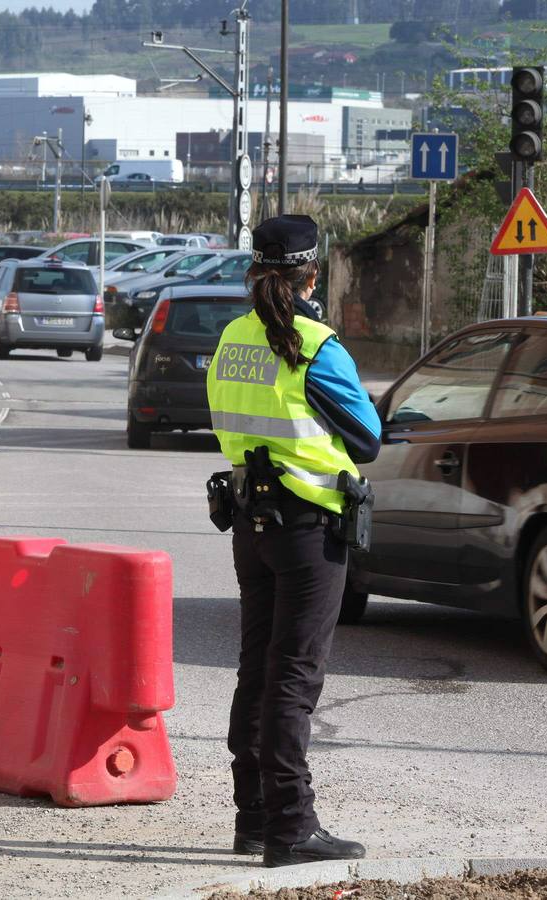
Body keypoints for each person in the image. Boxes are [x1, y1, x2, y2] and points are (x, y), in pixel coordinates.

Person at [205, 215, 382, 868]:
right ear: (314, 275)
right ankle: (292, 828)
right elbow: (365, 438)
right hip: (308, 529)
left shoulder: (230, 340)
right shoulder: (314, 344)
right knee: (294, 677)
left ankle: (252, 819)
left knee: (258, 671)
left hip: (251, 524)